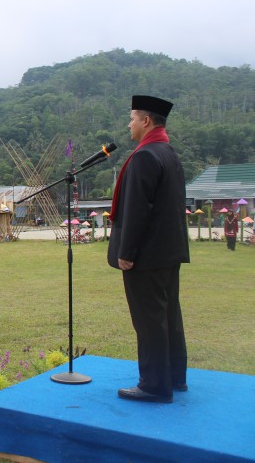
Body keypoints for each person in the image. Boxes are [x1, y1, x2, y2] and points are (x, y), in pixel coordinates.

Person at [108, 95, 189, 404]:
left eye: (132, 118)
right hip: (169, 251)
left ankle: (154, 384)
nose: (129, 124)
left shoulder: (144, 157)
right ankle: (175, 376)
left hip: (146, 255)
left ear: (146, 121)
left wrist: (126, 252)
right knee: (169, 313)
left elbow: (138, 210)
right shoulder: (168, 153)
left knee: (149, 319)